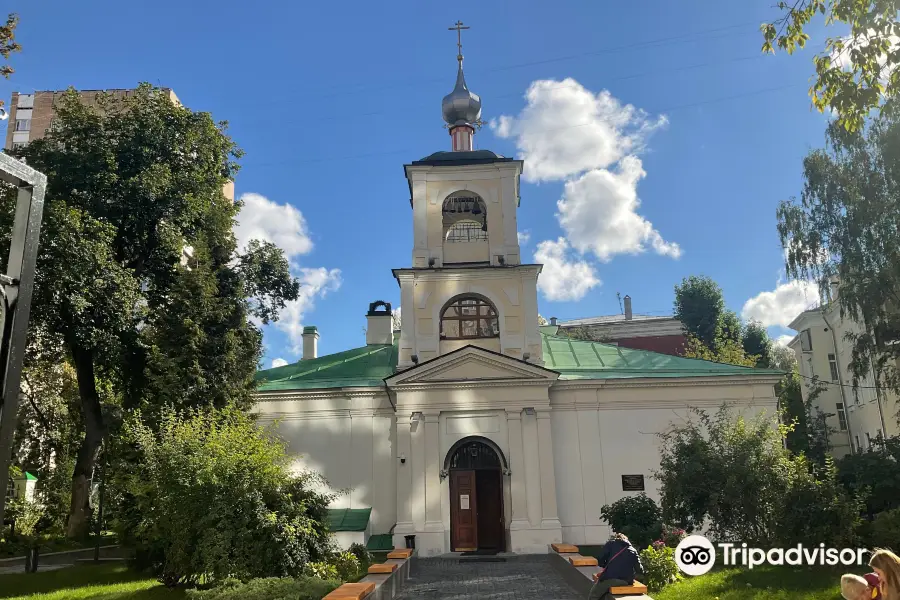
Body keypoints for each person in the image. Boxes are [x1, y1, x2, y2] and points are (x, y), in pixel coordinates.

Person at [588, 533, 644, 600]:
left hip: (610, 578)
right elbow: (640, 570)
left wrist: (606, 567)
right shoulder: (633, 550)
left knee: (593, 595)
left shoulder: (611, 544)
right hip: (626, 581)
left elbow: (600, 559)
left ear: (617, 538)